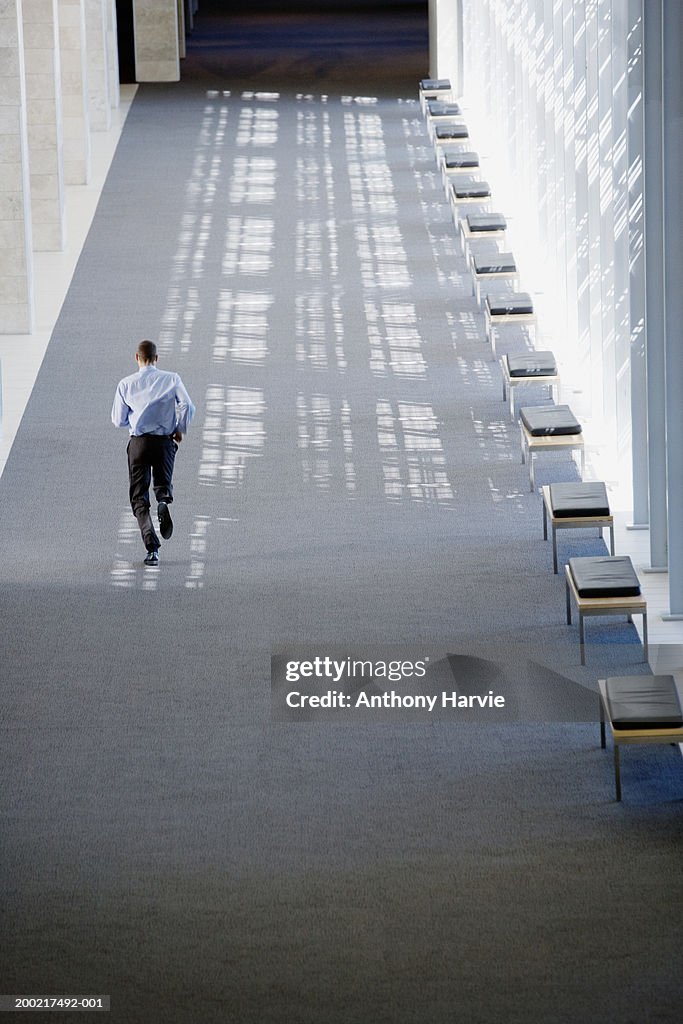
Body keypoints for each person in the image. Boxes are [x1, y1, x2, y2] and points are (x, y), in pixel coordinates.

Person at [111, 340, 195, 566]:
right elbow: (188, 405)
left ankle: (152, 549)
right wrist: (180, 429)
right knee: (162, 484)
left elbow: (117, 420)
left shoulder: (125, 384)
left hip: (138, 443)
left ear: (136, 358)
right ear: (157, 358)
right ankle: (163, 501)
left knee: (139, 497)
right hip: (164, 442)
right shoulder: (171, 378)